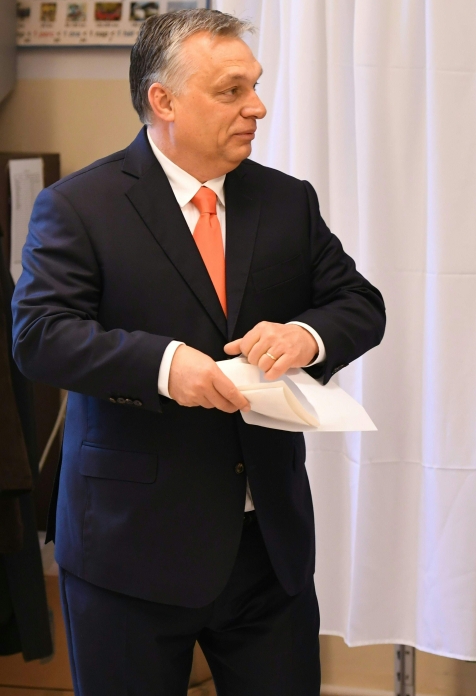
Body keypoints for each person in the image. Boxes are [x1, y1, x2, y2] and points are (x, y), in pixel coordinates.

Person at [11, 10, 385, 695]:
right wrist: (163, 367)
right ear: (164, 101)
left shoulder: (286, 202)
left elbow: (359, 305)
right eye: (231, 91)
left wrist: (306, 335)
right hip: (129, 551)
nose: (257, 106)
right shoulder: (79, 206)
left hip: (267, 551)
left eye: (255, 86)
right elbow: (40, 335)